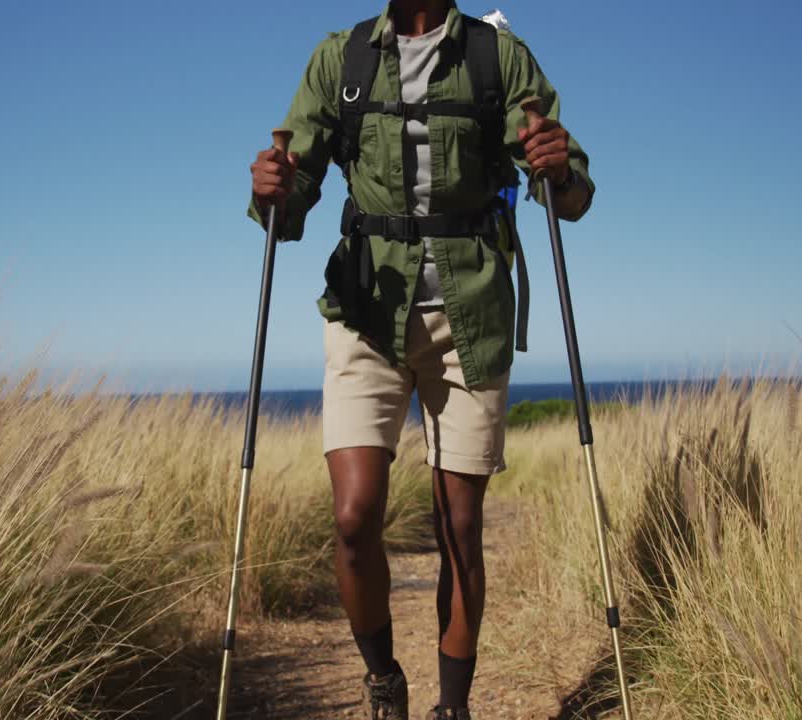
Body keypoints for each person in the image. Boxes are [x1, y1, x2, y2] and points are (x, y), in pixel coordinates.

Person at [248, 2, 594, 718]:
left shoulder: (497, 57)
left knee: (460, 526)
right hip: (365, 311)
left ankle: (453, 708)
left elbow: (574, 194)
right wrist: (273, 190)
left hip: (471, 313)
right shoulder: (339, 60)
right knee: (352, 518)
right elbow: (295, 196)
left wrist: (558, 169)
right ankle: (383, 681)